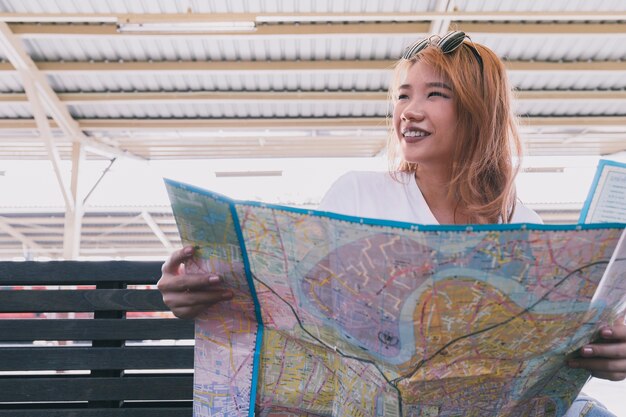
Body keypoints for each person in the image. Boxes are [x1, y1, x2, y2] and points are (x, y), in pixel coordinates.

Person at [158, 31, 625, 416]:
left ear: (480, 111)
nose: (409, 110)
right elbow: (291, 307)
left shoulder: (525, 224)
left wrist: (607, 352)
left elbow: (556, 352)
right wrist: (197, 292)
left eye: (434, 95)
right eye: (403, 96)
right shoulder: (357, 193)